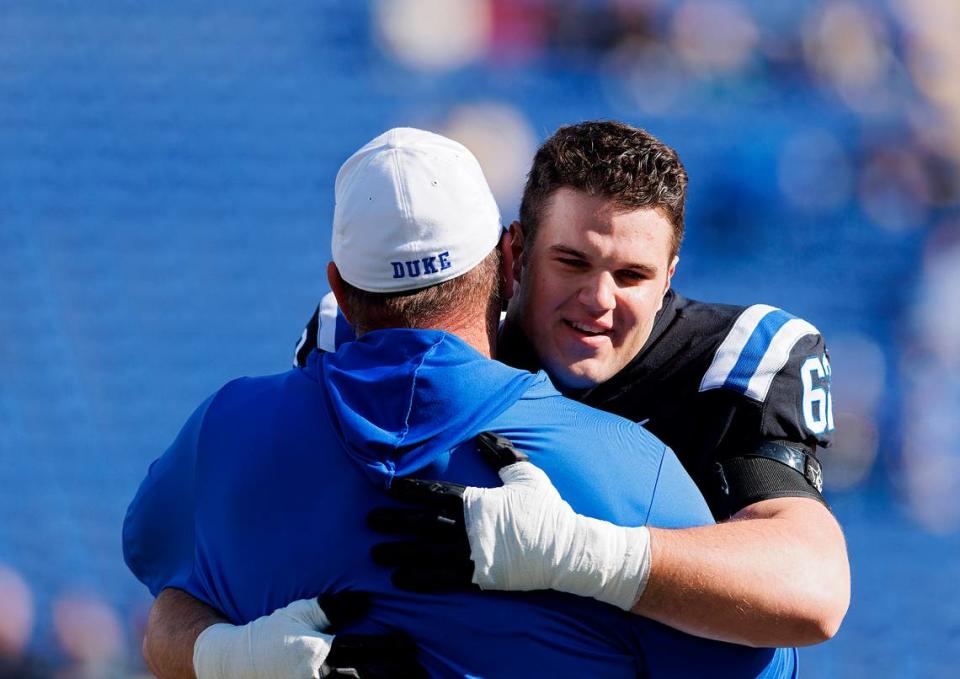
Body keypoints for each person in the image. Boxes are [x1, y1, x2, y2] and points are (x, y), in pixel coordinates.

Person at [140, 121, 849, 676]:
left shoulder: (727, 364)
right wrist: (234, 658)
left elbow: (812, 591)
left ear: (670, 278)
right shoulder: (371, 343)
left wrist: (578, 551)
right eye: (571, 262)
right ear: (513, 255)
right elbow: (181, 600)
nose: (598, 299)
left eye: (631, 274)